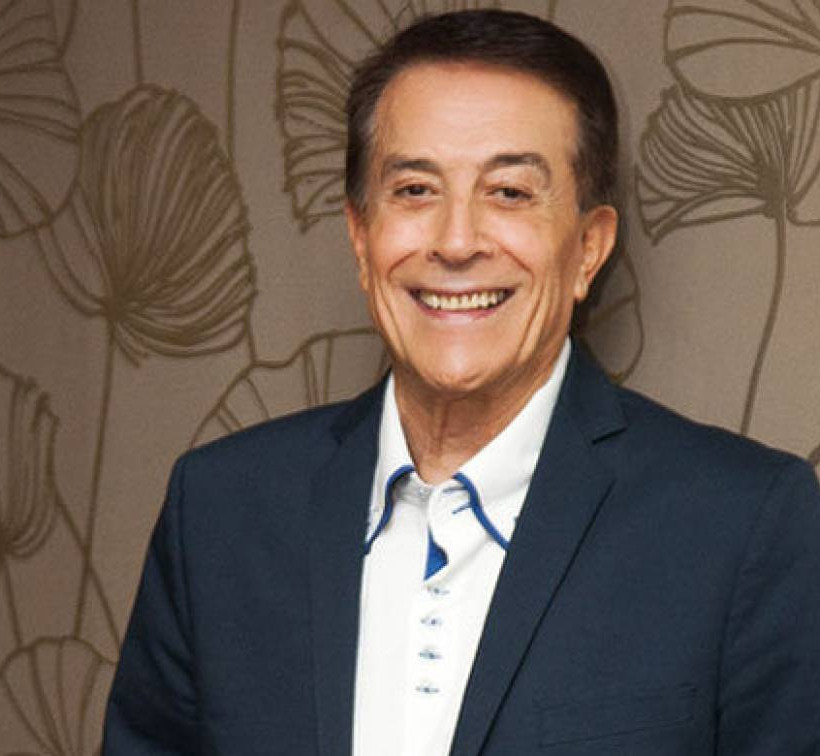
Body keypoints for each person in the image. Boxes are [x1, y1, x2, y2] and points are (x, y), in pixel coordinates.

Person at [103, 10, 820, 755]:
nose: (454, 241)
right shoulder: (219, 511)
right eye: (416, 190)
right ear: (361, 237)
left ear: (588, 247)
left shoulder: (741, 524)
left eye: (509, 193)